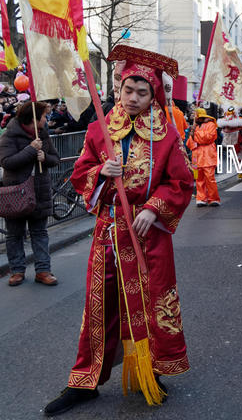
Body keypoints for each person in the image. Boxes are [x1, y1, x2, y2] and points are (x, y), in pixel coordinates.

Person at [44, 46, 194, 415]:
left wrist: (154, 208)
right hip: (108, 232)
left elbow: (181, 182)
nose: (134, 99)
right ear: (119, 89)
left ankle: (150, 370)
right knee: (100, 306)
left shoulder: (166, 137)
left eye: (143, 92)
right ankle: (85, 379)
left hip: (148, 235)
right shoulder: (99, 130)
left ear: (153, 94)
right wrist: (100, 175)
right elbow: (80, 174)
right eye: (129, 90)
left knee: (150, 303)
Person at [0, 101, 60, 286]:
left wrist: (45, 157)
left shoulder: (43, 134)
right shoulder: (10, 135)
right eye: (43, 117)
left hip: (39, 189)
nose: (46, 120)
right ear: (32, 119)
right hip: (16, 191)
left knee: (40, 232)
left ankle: (43, 270)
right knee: (14, 234)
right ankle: (17, 270)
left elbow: (55, 159)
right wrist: (30, 150)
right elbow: (7, 162)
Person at [186, 107, 220, 206]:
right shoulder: (195, 126)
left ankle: (213, 198)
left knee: (210, 178)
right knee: (198, 178)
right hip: (196, 157)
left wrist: (194, 135)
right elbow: (190, 143)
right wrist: (192, 134)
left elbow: (208, 138)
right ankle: (201, 198)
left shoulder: (211, 125)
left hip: (208, 156)